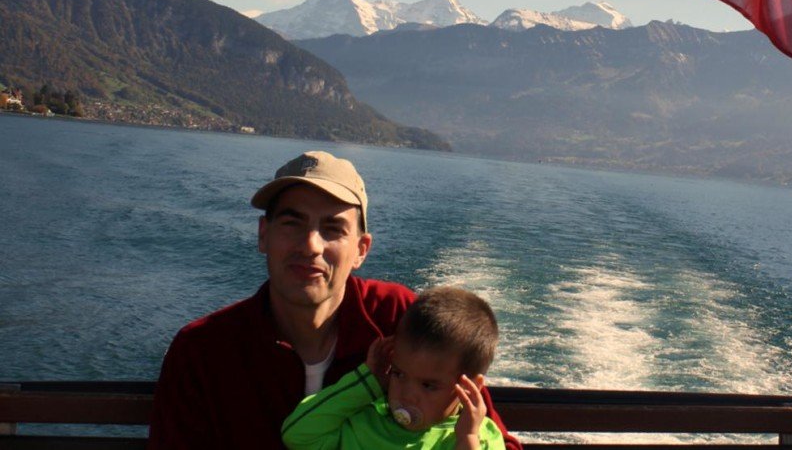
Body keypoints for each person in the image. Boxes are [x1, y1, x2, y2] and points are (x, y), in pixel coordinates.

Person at [148, 151, 520, 449]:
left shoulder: (402, 319)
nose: (310, 245)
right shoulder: (203, 351)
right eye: (292, 223)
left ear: (361, 249)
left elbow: (489, 434)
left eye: (332, 229)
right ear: (264, 235)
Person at [281, 286, 505, 450]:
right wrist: (366, 382)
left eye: (428, 385)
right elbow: (297, 435)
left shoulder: (479, 438)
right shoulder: (364, 422)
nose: (406, 394)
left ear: (468, 389)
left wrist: (467, 438)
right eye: (398, 374)